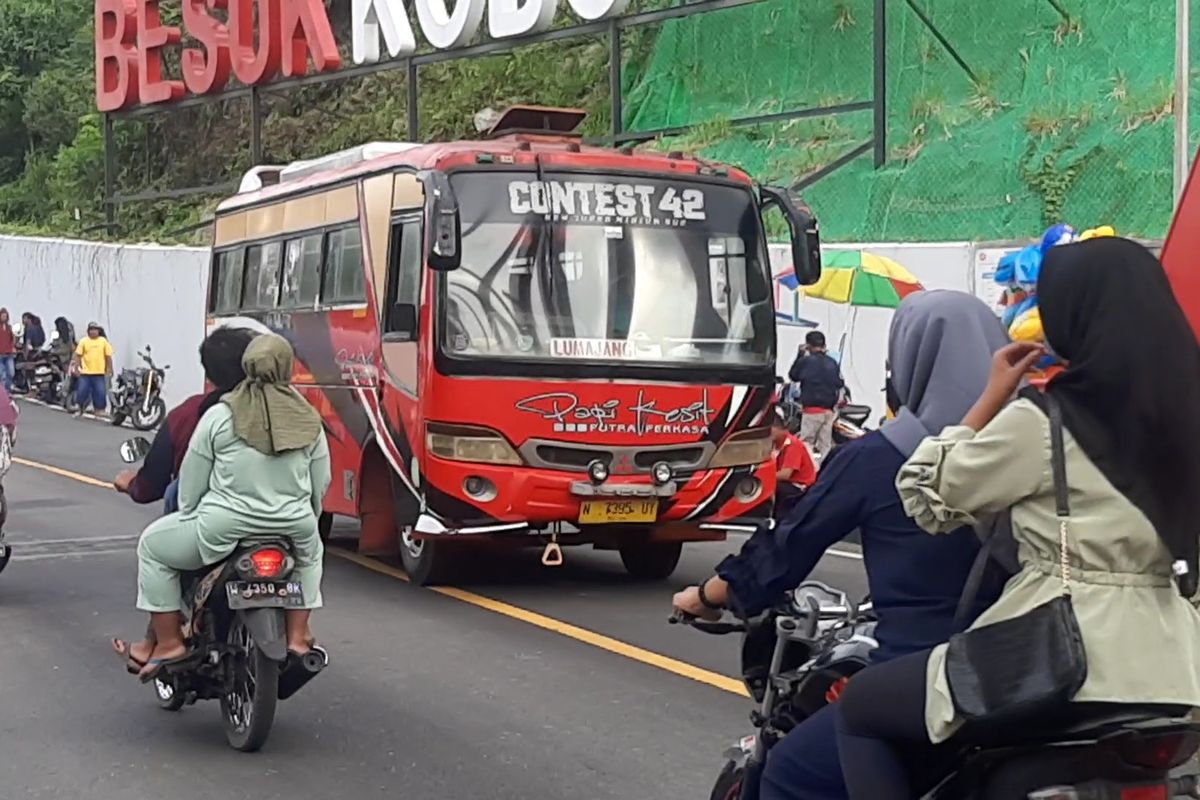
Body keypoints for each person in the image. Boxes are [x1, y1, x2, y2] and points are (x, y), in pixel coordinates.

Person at [834, 238, 1200, 800]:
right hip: (1175, 669)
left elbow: (927, 492)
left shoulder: (1046, 420)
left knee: (861, 708)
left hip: (1059, 656)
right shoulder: (1187, 422)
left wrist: (990, 397)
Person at [673, 290, 1011, 800]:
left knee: (787, 776)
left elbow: (788, 548)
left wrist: (707, 595)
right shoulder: (1035, 447)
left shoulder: (883, 458)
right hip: (1037, 669)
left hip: (927, 672)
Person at [111, 334, 330, 678]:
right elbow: (321, 482)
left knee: (152, 546)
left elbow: (191, 484)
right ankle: (299, 637)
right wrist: (306, 518)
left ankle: (168, 642)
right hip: (293, 524)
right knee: (311, 556)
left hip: (224, 525)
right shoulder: (308, 418)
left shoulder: (220, 415)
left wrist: (191, 514)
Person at [114, 327, 257, 513]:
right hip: (284, 520)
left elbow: (153, 484)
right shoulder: (288, 410)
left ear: (209, 373)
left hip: (212, 518)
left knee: (169, 504)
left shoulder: (193, 413)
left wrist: (132, 484)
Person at [787, 330, 843, 459]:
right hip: (829, 412)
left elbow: (793, 375)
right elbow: (839, 383)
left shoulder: (805, 362)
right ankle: (822, 468)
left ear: (808, 345)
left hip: (812, 411)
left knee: (806, 444)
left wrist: (800, 355)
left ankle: (805, 470)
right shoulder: (832, 362)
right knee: (825, 446)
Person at [771, 408, 817, 516]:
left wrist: (763, 476)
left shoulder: (793, 445)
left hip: (800, 487)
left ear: (780, 428)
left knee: (768, 487)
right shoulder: (774, 444)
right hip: (788, 483)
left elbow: (785, 474)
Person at [71, 322, 112, 418]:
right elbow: (78, 356)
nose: (93, 331)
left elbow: (108, 356)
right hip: (85, 373)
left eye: (95, 329)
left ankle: (99, 410)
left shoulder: (103, 341)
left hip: (99, 373)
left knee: (100, 392)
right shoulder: (84, 341)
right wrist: (76, 368)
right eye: (91, 329)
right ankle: (80, 408)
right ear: (88, 331)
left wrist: (109, 369)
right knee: (82, 391)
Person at [0, 309, 16, 392]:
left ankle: (8, 388)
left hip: (9, 353)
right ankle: (4, 392)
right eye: (2, 316)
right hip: (0, 354)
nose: (4, 318)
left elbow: (12, 338)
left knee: (11, 372)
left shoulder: (9, 328)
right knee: (2, 374)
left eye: (5, 316)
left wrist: (13, 347)